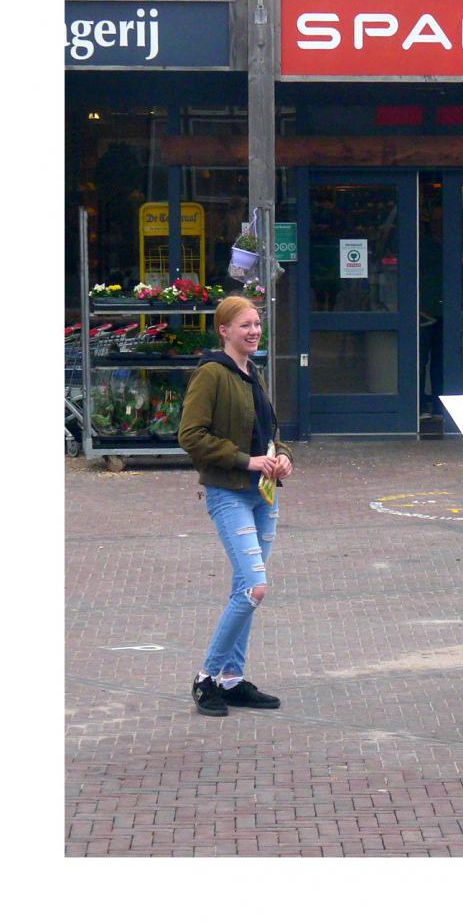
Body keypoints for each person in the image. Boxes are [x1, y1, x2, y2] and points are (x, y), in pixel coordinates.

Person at [179, 296, 294, 717]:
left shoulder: (253, 373)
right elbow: (190, 435)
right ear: (224, 330)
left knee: (246, 591)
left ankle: (232, 680)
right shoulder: (211, 373)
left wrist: (283, 457)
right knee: (253, 587)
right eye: (244, 325)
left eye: (257, 324)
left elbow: (271, 432)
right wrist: (245, 460)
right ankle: (206, 677)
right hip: (229, 492)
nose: (253, 331)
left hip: (264, 495)